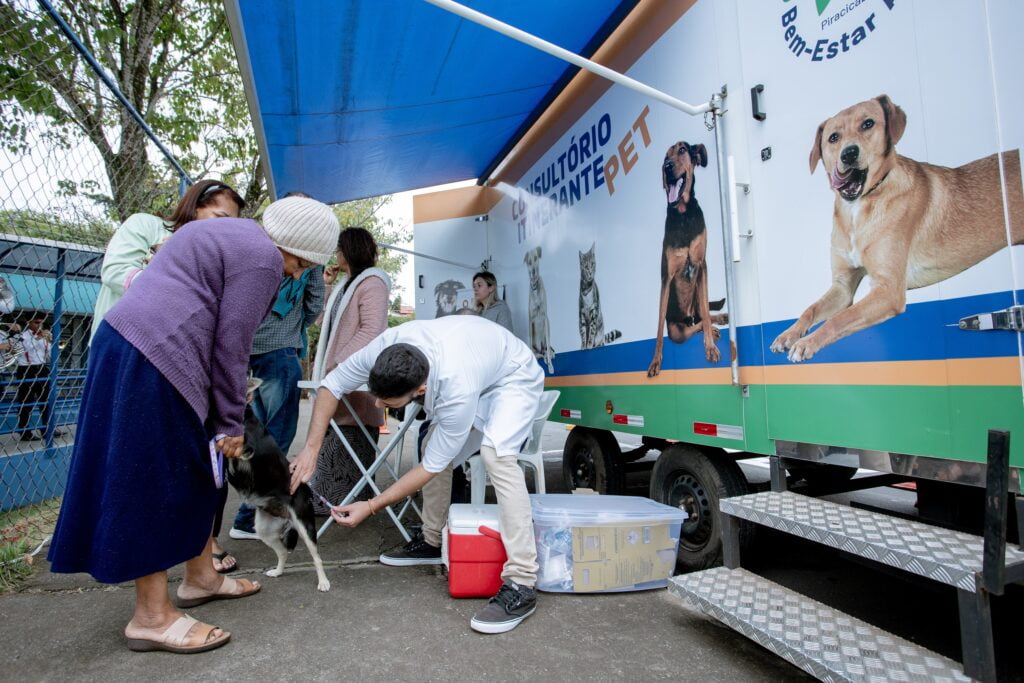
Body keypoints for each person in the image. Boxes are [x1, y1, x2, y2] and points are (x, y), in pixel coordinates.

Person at [47, 199, 340, 654]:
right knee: (158, 479)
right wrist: (228, 423)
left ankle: (201, 577)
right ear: (290, 247)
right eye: (300, 264)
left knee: (203, 474)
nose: (297, 275)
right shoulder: (263, 257)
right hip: (155, 356)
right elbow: (231, 344)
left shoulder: (222, 233)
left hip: (132, 345)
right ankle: (151, 617)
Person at [289, 315, 543, 634]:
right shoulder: (383, 349)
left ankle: (522, 583)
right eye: (375, 393)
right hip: (477, 363)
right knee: (431, 441)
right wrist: (311, 448)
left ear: (420, 388)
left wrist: (371, 505)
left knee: (497, 456)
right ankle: (432, 540)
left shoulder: (456, 387)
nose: (377, 403)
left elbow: (430, 468)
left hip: (512, 376)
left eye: (386, 401)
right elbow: (332, 384)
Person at [229, 195, 327, 540]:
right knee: (277, 437)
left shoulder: (255, 251)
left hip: (244, 349)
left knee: (249, 435)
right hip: (280, 352)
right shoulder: (310, 262)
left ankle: (249, 512)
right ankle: (249, 515)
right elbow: (315, 308)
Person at [90, 179, 244, 342]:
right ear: (196, 207)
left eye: (231, 224)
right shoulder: (145, 225)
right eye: (220, 217)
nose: (225, 228)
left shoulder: (217, 259)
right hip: (120, 340)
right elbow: (116, 271)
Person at [307, 227, 391, 514]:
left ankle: (347, 505)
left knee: (352, 436)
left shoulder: (373, 283)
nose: (337, 255)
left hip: (354, 381)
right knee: (337, 438)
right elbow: (323, 322)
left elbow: (372, 330)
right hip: (340, 380)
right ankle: (338, 503)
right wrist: (327, 286)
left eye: (340, 249)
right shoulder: (348, 282)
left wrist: (338, 363)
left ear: (351, 250)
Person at [15, 316, 58, 441]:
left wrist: (51, 343)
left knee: (46, 401)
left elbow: (50, 356)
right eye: (37, 322)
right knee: (26, 402)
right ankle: (24, 432)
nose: (39, 325)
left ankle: (46, 429)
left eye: (41, 323)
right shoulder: (22, 336)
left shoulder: (44, 337)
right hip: (26, 369)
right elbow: (24, 348)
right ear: (29, 322)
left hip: (42, 368)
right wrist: (38, 338)